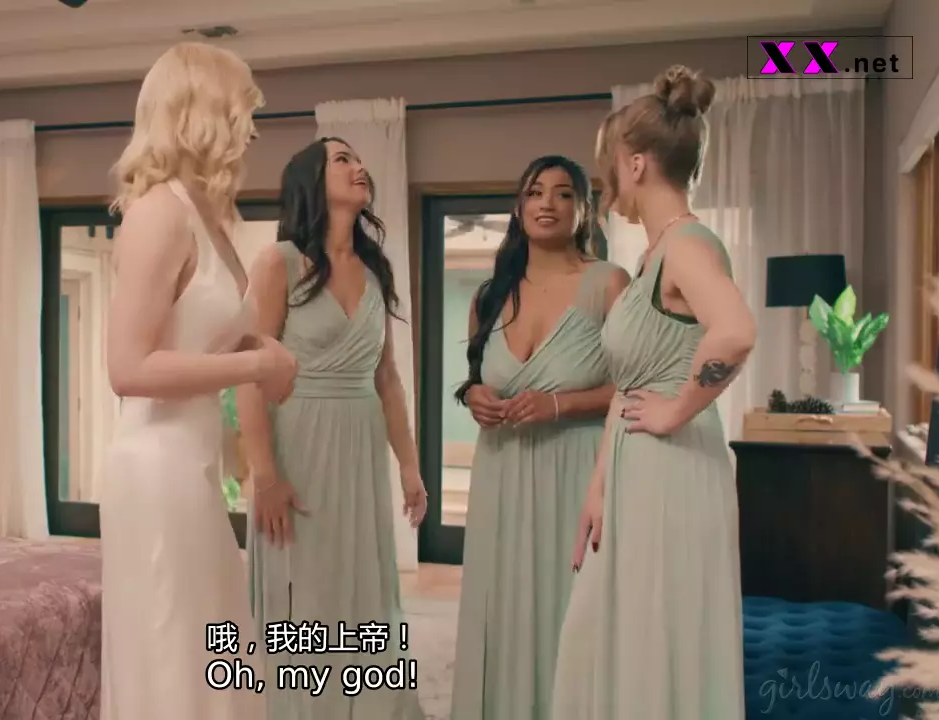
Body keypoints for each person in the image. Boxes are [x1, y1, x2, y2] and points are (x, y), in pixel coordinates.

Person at [100, 41, 298, 720]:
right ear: (204, 113)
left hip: (194, 463)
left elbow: (201, 336)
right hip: (155, 467)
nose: (252, 130)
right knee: (173, 649)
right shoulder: (158, 213)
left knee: (212, 645)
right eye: (244, 110)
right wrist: (255, 364)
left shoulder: (207, 216)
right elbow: (128, 368)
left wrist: (260, 348)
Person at [550, 64, 754, 719]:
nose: (605, 181)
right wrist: (598, 486)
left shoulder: (687, 246)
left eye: (608, 164)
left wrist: (675, 412)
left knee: (656, 637)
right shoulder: (653, 255)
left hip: (672, 475)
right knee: (612, 635)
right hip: (637, 472)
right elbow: (630, 386)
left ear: (635, 164)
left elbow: (735, 333)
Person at [237, 137, 427, 719]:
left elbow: (387, 377)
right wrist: (265, 477)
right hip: (299, 446)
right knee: (305, 588)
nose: (358, 166)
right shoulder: (279, 263)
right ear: (311, 181)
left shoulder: (374, 270)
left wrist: (410, 467)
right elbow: (248, 376)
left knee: (361, 582)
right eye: (342, 159)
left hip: (360, 446)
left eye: (359, 159)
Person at [449, 155, 629, 720]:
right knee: (504, 604)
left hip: (576, 470)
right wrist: (473, 395)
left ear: (584, 210)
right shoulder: (489, 296)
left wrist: (560, 404)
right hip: (501, 472)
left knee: (569, 608)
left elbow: (636, 389)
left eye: (563, 193)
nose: (546, 203)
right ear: (518, 206)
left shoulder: (609, 284)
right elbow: (478, 378)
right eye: (534, 192)